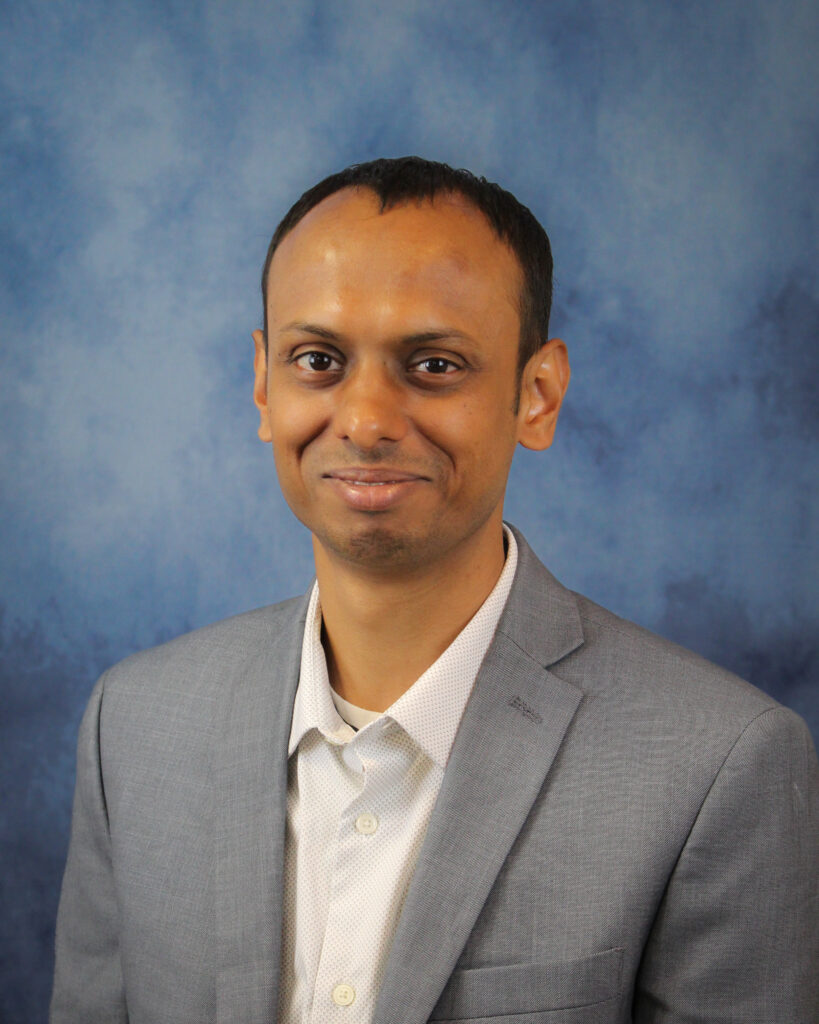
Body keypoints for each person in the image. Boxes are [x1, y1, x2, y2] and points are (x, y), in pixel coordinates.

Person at [51, 156, 818, 1024]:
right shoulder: (134, 726)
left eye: (434, 365)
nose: (368, 418)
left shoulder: (718, 765)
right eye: (318, 358)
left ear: (537, 395)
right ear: (264, 383)